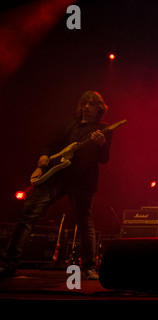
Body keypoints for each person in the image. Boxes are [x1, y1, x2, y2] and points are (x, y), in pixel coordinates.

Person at [0, 91, 113, 280]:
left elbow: (104, 160)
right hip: (55, 176)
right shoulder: (68, 124)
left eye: (91, 104)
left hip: (83, 181)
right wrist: (43, 158)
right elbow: (50, 145)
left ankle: (90, 267)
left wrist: (101, 144)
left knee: (85, 223)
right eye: (84, 103)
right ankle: (9, 264)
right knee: (27, 214)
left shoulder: (104, 129)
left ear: (99, 109)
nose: (86, 107)